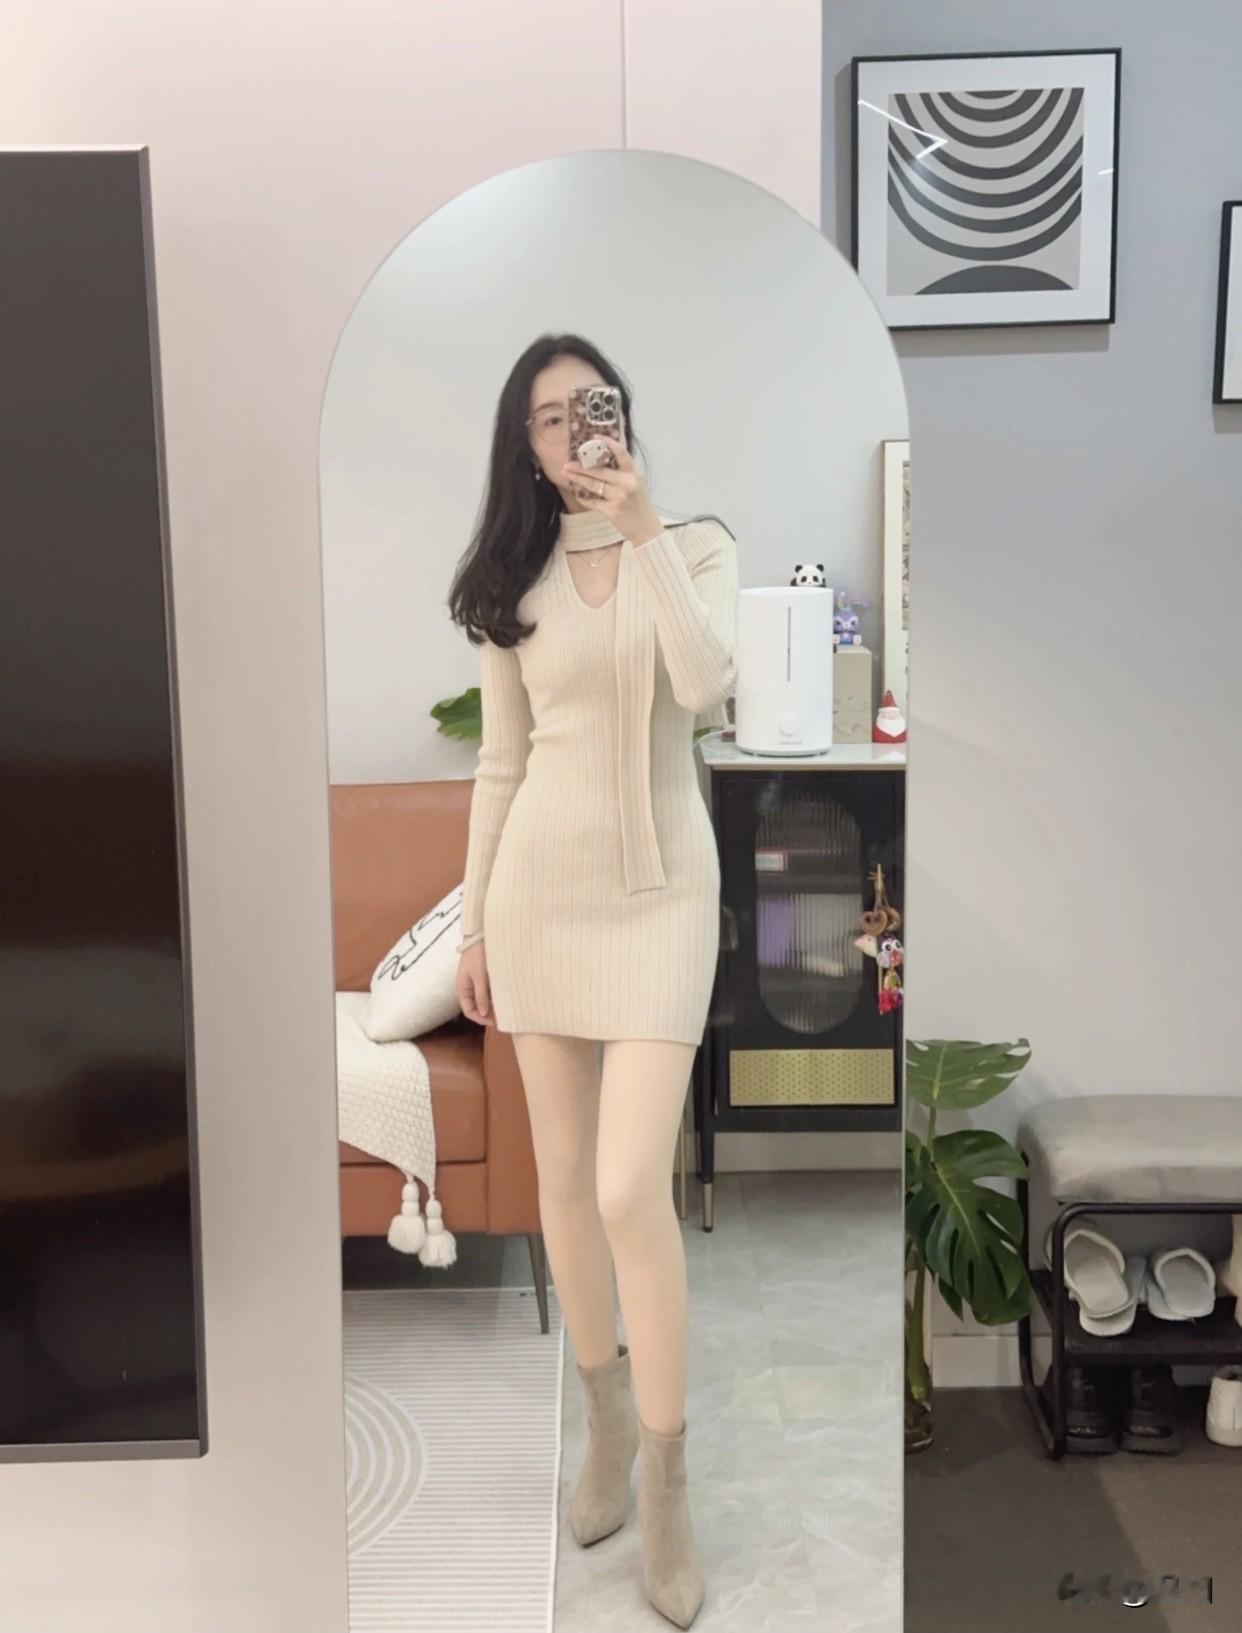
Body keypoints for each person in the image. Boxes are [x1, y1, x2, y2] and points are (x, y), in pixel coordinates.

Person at [447, 333, 737, 1629]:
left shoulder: (696, 545)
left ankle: (667, 1484)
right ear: (524, 444)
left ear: (621, 414)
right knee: (562, 1181)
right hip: (539, 903)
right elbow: (500, 764)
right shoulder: (510, 582)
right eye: (548, 417)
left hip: (664, 898)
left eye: (589, 406)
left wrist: (645, 528)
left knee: (629, 1186)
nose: (573, 431)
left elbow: (706, 687)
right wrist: (473, 926)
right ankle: (606, 1423)